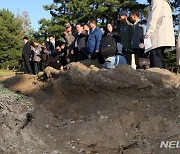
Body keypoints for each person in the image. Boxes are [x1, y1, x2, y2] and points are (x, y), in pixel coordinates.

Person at [145, 0, 175, 68]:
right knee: (160, 57)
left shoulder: (156, 0)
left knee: (155, 58)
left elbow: (154, 16)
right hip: (162, 35)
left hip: (157, 35)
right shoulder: (165, 2)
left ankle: (157, 77)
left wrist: (149, 32)